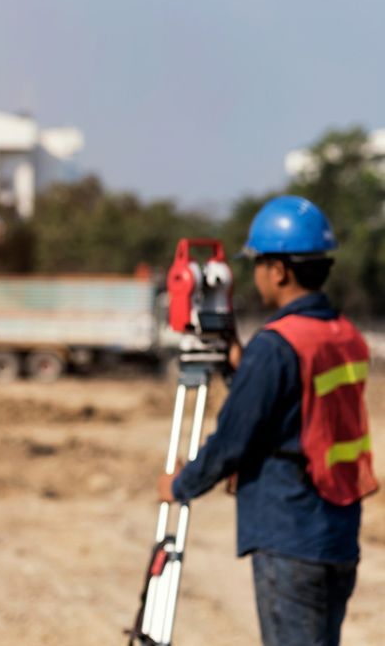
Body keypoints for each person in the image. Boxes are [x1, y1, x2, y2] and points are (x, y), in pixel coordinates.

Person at [157, 195, 377, 646]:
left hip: (289, 534)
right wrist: (244, 367)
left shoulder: (276, 346)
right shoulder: (343, 335)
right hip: (336, 533)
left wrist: (181, 486)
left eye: (256, 264)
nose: (252, 274)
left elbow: (233, 440)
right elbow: (299, 409)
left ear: (278, 270)